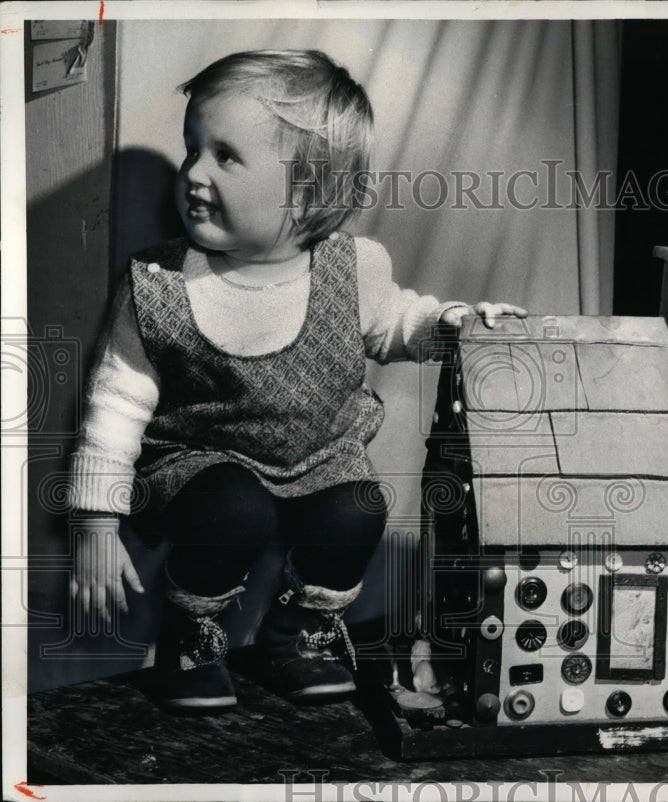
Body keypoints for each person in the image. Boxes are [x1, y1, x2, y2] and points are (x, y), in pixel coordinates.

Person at [67, 49, 526, 713]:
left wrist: (455, 325)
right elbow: (115, 404)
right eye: (191, 148)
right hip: (203, 460)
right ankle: (190, 642)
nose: (192, 173)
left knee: (358, 507)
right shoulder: (159, 283)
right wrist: (94, 526)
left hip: (320, 457)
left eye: (225, 156)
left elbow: (398, 324)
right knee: (234, 511)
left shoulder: (354, 267)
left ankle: (295, 636)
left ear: (305, 193)